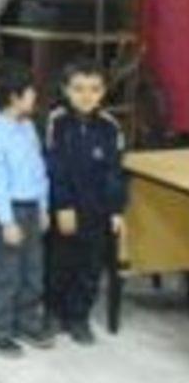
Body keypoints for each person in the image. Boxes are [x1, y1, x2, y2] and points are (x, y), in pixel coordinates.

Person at [47, 59, 128, 345]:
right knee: (60, 265)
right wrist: (62, 205)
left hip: (98, 213)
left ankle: (78, 317)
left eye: (94, 89)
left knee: (90, 268)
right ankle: (54, 312)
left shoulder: (110, 127)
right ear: (65, 90)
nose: (86, 96)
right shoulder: (56, 122)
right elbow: (54, 168)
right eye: (78, 89)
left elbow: (115, 172)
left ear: (103, 92)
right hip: (66, 212)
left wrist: (116, 210)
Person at [0, 59, 55, 357]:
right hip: (10, 212)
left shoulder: (29, 127)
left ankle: (26, 321)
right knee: (7, 273)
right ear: (14, 96)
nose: (35, 96)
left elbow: (39, 171)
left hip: (32, 208)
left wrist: (43, 206)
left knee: (33, 271)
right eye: (30, 91)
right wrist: (6, 221)